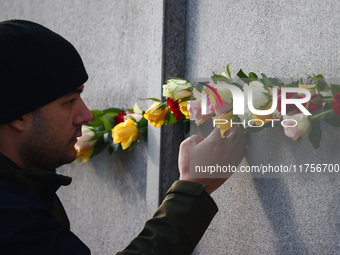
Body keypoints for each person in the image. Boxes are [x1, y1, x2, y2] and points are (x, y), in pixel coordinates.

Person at [0, 20, 247, 254]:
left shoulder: (22, 190)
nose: (86, 115)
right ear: (18, 115)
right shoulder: (11, 216)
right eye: (69, 102)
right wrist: (191, 188)